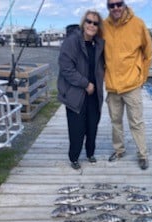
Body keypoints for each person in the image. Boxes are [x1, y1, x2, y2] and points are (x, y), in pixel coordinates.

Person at [103, 0, 152, 170]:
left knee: (136, 122)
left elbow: (148, 53)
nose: (115, 8)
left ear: (124, 5)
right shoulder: (103, 26)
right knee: (115, 121)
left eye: (118, 4)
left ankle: (142, 154)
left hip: (132, 85)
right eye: (111, 5)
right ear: (108, 7)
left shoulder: (138, 24)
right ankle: (119, 150)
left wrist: (142, 78)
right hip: (112, 86)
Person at [57, 10, 105, 169]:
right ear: (84, 23)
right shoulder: (71, 42)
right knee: (76, 129)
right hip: (76, 93)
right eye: (89, 21)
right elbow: (66, 68)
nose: (92, 25)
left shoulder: (98, 44)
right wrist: (85, 84)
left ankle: (90, 153)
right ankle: (74, 158)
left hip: (94, 94)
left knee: (92, 126)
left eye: (95, 23)